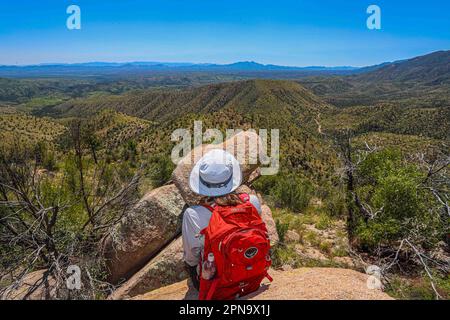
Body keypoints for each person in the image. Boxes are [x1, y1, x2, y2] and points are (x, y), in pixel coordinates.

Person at [182, 149, 262, 290]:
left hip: (218, 282)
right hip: (252, 270)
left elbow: (191, 257)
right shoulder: (253, 202)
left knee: (190, 263)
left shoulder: (193, 214)